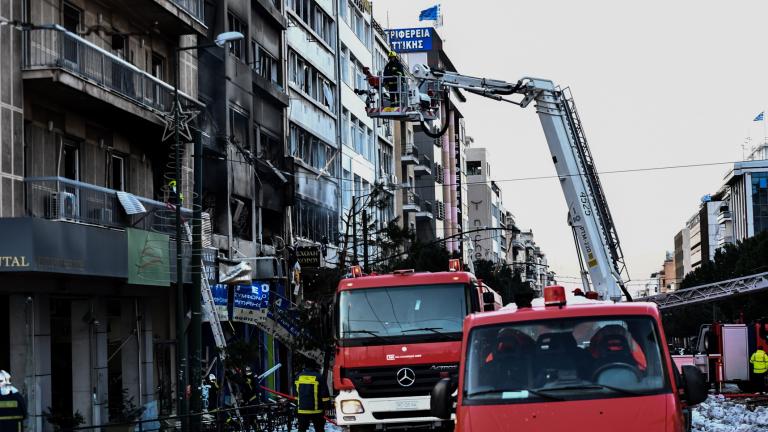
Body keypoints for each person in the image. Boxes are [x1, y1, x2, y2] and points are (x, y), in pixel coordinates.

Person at [295, 360, 329, 432]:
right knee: (319, 429)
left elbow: (296, 393)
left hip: (302, 409)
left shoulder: (298, 377)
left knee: (301, 429)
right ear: (314, 366)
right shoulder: (319, 377)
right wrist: (326, 407)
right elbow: (324, 395)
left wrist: (296, 405)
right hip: (317, 410)